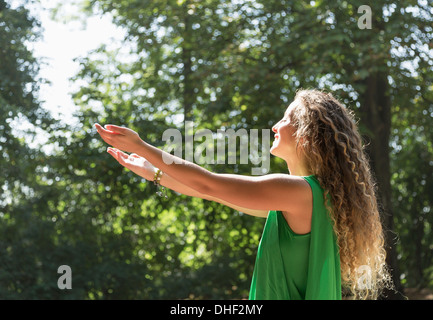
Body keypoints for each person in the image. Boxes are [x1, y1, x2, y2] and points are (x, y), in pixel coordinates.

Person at [94, 88, 392, 300]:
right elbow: (213, 193)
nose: (275, 126)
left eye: (286, 119)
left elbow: (210, 184)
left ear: (306, 134)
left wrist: (142, 146)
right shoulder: (310, 199)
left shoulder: (298, 191)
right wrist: (154, 172)